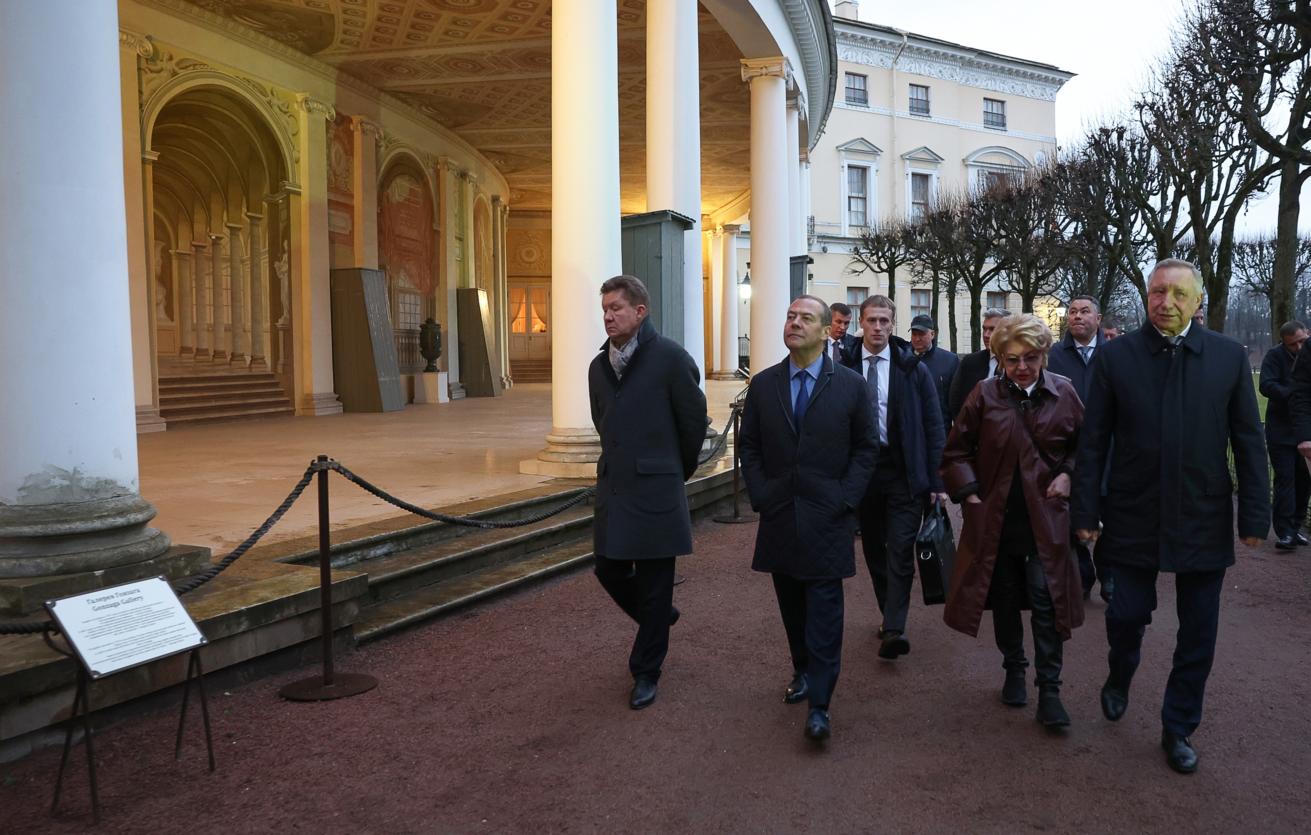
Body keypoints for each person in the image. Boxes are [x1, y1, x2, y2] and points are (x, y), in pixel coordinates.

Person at [1074, 259, 1268, 774]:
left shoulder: (1228, 357)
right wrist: (1086, 509)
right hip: (1133, 510)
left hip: (1202, 512)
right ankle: (1120, 672)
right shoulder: (1117, 357)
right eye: (1158, 292)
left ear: (1198, 300)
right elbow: (1093, 442)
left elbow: (1249, 441)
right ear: (1147, 296)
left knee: (1198, 632)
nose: (1166, 302)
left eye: (1179, 293)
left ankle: (1178, 726)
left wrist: (1254, 516)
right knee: (1125, 615)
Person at [739, 295, 878, 743]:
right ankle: (801, 669)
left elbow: (866, 447)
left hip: (828, 516)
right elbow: (749, 445)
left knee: (824, 611)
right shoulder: (764, 385)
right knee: (792, 606)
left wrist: (846, 498)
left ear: (825, 331)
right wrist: (761, 494)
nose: (794, 323)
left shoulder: (851, 385)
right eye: (790, 316)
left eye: (805, 318)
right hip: (779, 514)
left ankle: (820, 702)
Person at [941, 314, 1085, 728]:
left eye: (1031, 357)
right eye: (1012, 359)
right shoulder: (984, 394)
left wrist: (1068, 474)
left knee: (1047, 600)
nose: (1022, 366)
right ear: (1000, 358)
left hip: (1047, 517)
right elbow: (956, 450)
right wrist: (970, 492)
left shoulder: (1065, 393)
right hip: (997, 518)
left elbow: (1086, 446)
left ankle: (1050, 689)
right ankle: (1014, 668)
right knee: (1004, 599)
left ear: (1044, 355)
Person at [588, 275, 708, 710]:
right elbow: (603, 422)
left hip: (657, 489)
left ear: (640, 312)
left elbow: (693, 423)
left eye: (616, 308)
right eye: (605, 309)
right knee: (608, 569)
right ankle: (657, 617)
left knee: (657, 585)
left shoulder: (671, 358)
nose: (608, 316)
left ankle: (646, 671)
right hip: (615, 488)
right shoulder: (598, 366)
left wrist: (674, 471)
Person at [844, 295, 947, 659]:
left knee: (901, 549)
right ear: (861, 321)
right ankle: (889, 612)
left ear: (893, 324)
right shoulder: (843, 365)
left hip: (903, 470)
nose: (878, 327)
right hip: (862, 473)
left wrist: (938, 481)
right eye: (871, 320)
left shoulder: (911, 368)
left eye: (884, 321)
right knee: (874, 548)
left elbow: (934, 425)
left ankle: (894, 627)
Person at [1046, 295, 1105, 599]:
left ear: (1098, 319)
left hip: (1107, 446)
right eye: (1072, 311)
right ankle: (1082, 572)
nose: (1077, 316)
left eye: (1084, 311)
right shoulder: (1054, 355)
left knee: (1109, 511)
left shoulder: (1114, 353)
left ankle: (1108, 575)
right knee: (1067, 514)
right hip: (1066, 448)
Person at [1260, 320, 1310, 550]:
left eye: (1302, 341)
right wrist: (1292, 394)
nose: (1299, 347)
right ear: (1283, 343)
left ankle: (1296, 525)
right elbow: (1266, 385)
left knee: (1304, 481)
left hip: (1304, 429)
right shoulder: (1274, 357)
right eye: (1293, 344)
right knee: (1285, 480)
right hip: (1281, 429)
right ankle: (1285, 531)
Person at [948, 308, 1010, 418]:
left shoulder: (1020, 365)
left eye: (992, 329)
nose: (986, 335)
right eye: (984, 329)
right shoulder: (970, 363)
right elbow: (955, 401)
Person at [909, 314, 960, 432]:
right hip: (909, 430)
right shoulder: (902, 358)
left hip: (940, 430)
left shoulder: (950, 360)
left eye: (921, 334)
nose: (917, 338)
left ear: (932, 334)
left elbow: (955, 401)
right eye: (914, 334)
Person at [826, 302, 859, 366]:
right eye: (838, 322)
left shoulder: (854, 344)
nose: (842, 327)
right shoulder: (817, 342)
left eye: (846, 323)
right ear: (829, 320)